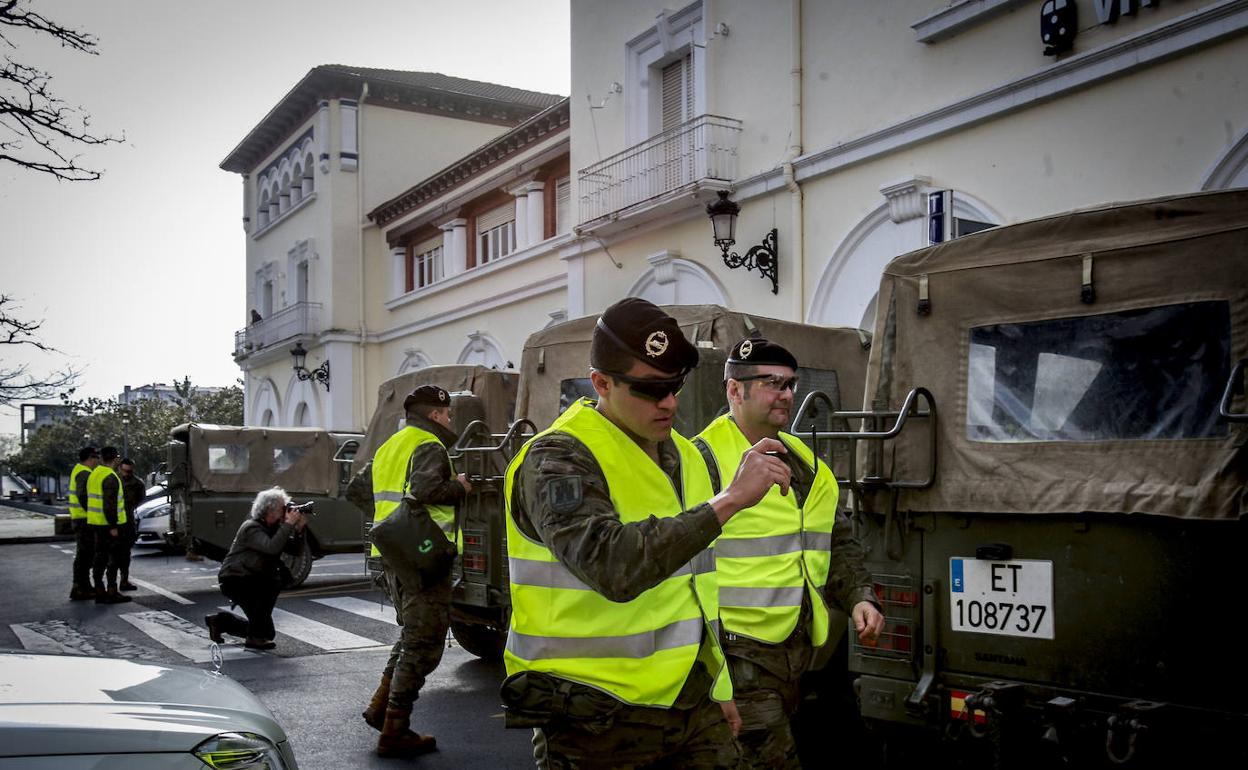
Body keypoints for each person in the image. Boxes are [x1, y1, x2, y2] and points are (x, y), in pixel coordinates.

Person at [500, 297, 791, 770]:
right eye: (650, 389)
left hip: (688, 702)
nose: (670, 403)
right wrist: (730, 499)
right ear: (601, 383)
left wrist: (717, 687)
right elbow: (612, 566)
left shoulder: (685, 454)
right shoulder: (556, 457)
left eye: (676, 385)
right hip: (595, 718)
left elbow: (696, 590)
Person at [692, 337, 885, 769]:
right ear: (734, 390)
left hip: (796, 656)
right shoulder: (699, 461)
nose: (787, 394)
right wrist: (710, 676)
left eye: (791, 383)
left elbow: (837, 540)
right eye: (772, 382)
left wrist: (859, 596)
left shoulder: (806, 462)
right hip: (736, 657)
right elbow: (680, 571)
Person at [347, 384, 471, 758]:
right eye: (447, 413)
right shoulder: (430, 445)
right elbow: (428, 489)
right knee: (424, 645)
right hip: (423, 556)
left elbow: (356, 490)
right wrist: (460, 486)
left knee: (411, 635)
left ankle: (381, 708)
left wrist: (392, 520)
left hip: (391, 556)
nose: (449, 419)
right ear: (435, 414)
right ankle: (394, 731)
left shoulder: (391, 445)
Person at [204, 487, 306, 650]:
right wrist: (288, 524)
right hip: (236, 578)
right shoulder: (251, 527)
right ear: (270, 510)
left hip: (254, 578)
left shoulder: (274, 529)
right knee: (262, 628)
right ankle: (253, 638)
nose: (286, 511)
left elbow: (295, 551)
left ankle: (220, 622)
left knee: (266, 632)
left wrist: (299, 530)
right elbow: (271, 547)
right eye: (282, 508)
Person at [87, 446, 132, 604]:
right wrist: (113, 526)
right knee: (113, 559)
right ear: (116, 459)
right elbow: (110, 504)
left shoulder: (94, 474)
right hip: (109, 525)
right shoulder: (110, 476)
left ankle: (99, 589)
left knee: (99, 557)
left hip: (95, 522)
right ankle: (112, 590)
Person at [68, 446, 100, 600]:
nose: (97, 462)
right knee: (85, 554)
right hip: (84, 519)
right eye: (96, 458)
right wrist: (92, 512)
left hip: (81, 518)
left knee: (86, 553)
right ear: (90, 458)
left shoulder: (79, 470)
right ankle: (79, 587)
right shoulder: (84, 473)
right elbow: (82, 495)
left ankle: (84, 586)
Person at [117, 458, 145, 592]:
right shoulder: (113, 480)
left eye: (129, 471)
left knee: (125, 553)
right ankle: (109, 585)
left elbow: (139, 500)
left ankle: (124, 580)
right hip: (114, 521)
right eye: (124, 470)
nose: (127, 473)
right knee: (112, 555)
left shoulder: (137, 483)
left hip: (127, 521)